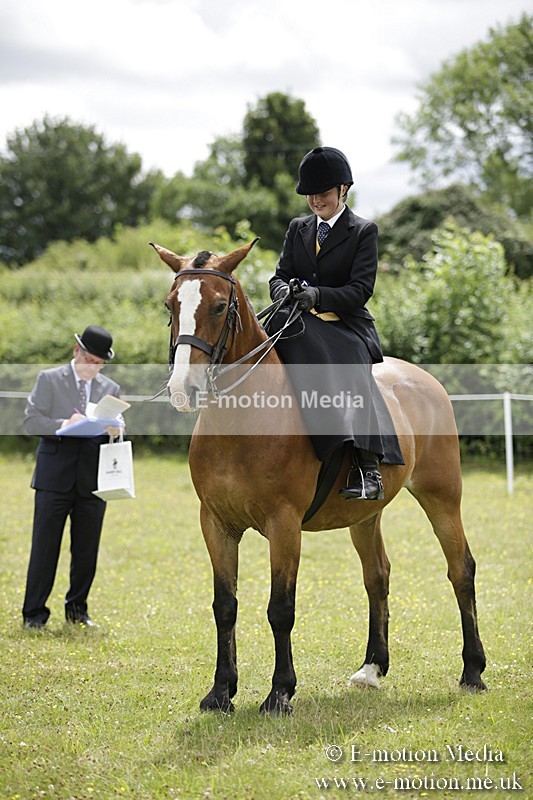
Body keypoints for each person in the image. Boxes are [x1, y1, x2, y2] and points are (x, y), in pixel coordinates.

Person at [269, 146, 403, 500]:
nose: (316, 200)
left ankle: (367, 467)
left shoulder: (362, 231)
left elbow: (361, 290)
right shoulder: (298, 228)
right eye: (311, 194)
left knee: (349, 367)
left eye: (323, 193)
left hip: (345, 324)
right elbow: (279, 275)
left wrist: (318, 296)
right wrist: (286, 290)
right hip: (298, 321)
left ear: (343, 190)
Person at [22, 325, 121, 629]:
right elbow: (31, 421)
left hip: (92, 481)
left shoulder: (111, 389)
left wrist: (116, 430)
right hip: (54, 479)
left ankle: (77, 610)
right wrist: (64, 422)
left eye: (99, 364)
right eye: (90, 360)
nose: (94, 368)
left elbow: (113, 433)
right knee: (44, 548)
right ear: (76, 351)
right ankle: (34, 613)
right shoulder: (49, 379)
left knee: (86, 551)